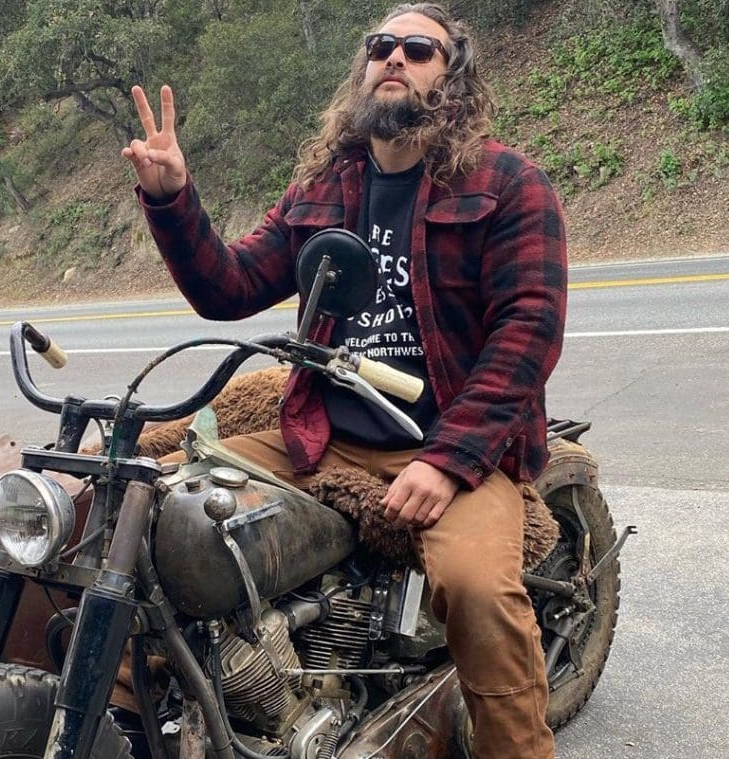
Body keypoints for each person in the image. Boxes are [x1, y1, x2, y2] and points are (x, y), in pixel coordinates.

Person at [121, 3, 566, 757]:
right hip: (320, 436)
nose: (395, 57)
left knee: (482, 594)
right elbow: (228, 287)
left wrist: (449, 458)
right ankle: (142, 713)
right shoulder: (326, 187)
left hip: (449, 445)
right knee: (142, 506)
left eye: (418, 49)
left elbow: (529, 331)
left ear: (452, 74)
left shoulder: (508, 181)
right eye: (381, 45)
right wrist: (172, 198)